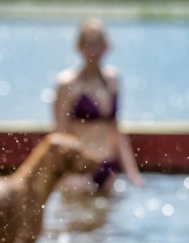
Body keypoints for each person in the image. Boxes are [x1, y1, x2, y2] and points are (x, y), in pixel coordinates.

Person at [54, 19, 144, 193]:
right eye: (87, 45)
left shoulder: (113, 80)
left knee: (108, 218)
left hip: (108, 166)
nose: (92, 51)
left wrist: (133, 174)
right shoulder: (66, 84)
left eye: (97, 44)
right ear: (79, 47)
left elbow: (115, 130)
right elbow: (60, 135)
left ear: (106, 46)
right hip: (79, 170)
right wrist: (63, 174)